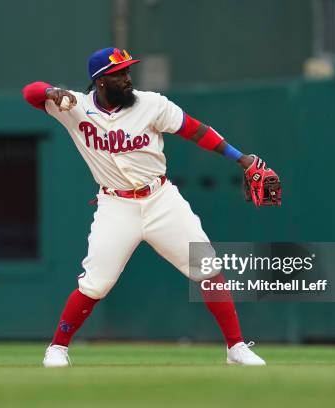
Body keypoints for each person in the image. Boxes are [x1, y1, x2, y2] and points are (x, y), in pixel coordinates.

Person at [22, 48, 276, 367]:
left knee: (208, 268)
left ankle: (236, 347)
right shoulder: (73, 107)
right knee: (96, 283)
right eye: (120, 74)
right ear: (101, 81)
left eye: (128, 72)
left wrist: (241, 158)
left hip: (160, 199)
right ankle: (57, 348)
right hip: (116, 205)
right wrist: (50, 91)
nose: (128, 79)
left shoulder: (152, 104)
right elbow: (30, 92)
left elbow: (195, 130)